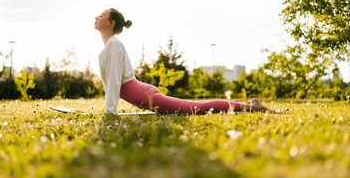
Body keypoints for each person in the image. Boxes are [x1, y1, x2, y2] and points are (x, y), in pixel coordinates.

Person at [95, 8, 272, 115]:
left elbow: (114, 81)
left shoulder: (115, 44)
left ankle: (250, 106)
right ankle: (248, 105)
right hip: (140, 95)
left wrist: (111, 111)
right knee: (193, 107)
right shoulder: (107, 48)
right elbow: (110, 83)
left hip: (144, 95)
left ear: (110, 23)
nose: (97, 17)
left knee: (194, 108)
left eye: (101, 15)